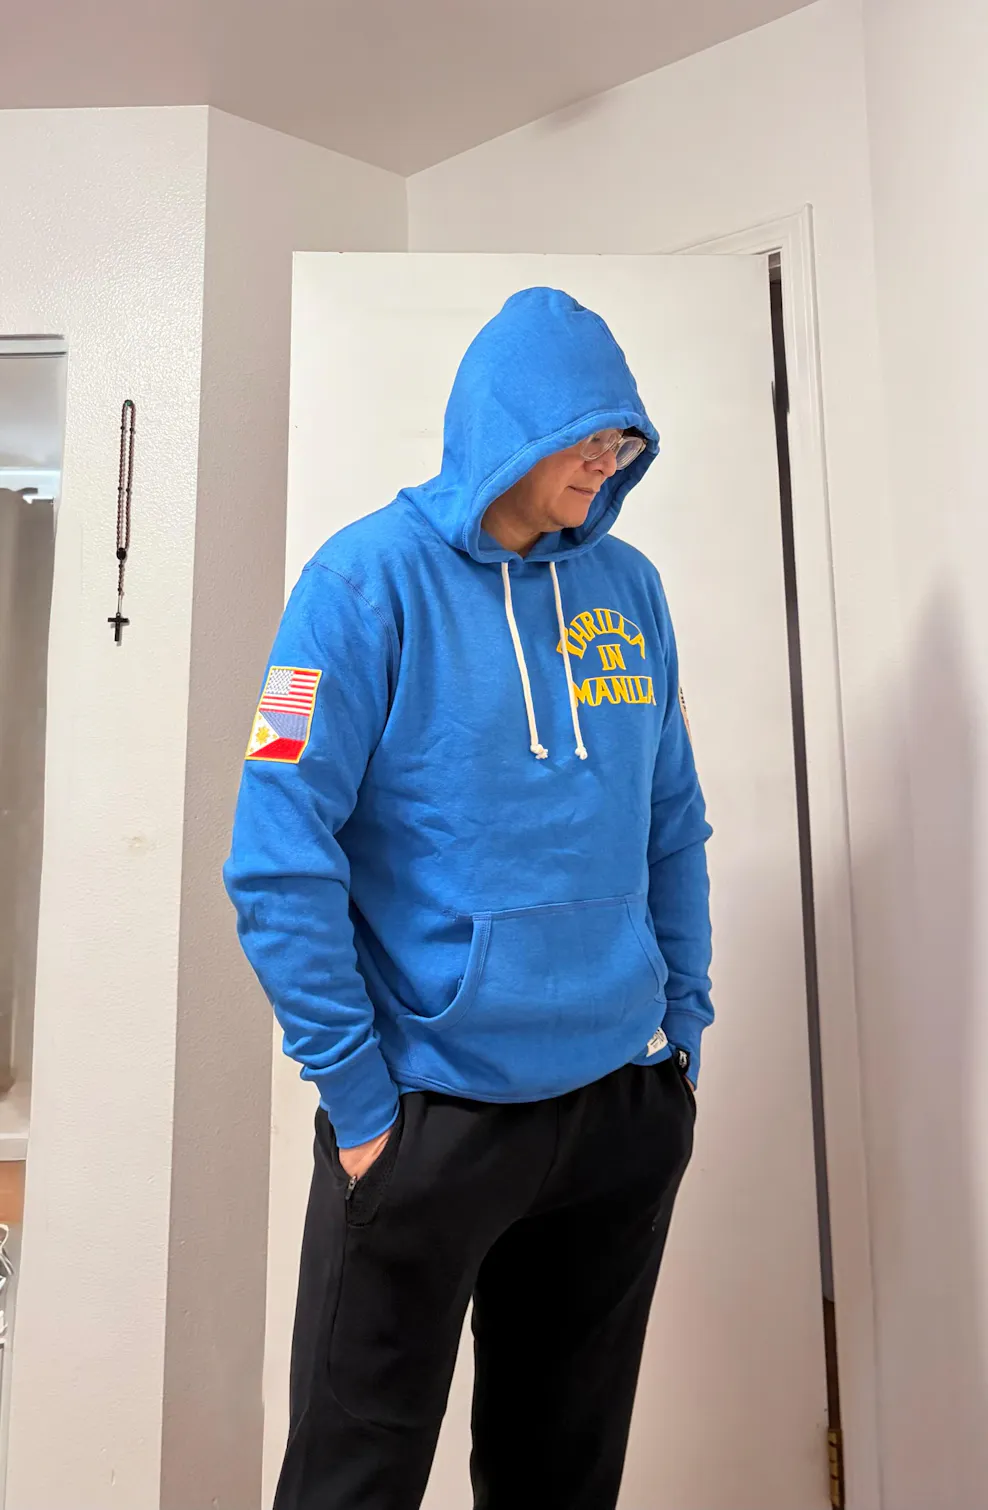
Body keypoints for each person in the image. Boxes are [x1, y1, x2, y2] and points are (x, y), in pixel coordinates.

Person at [225, 286, 713, 1510]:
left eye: (624, 439)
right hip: (430, 1115)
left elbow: (672, 821)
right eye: (585, 435)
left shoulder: (631, 589)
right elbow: (276, 852)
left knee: (562, 1479)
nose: (607, 460)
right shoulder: (357, 585)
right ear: (509, 426)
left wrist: (681, 1038)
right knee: (350, 1480)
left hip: (617, 1104)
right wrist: (359, 1100)